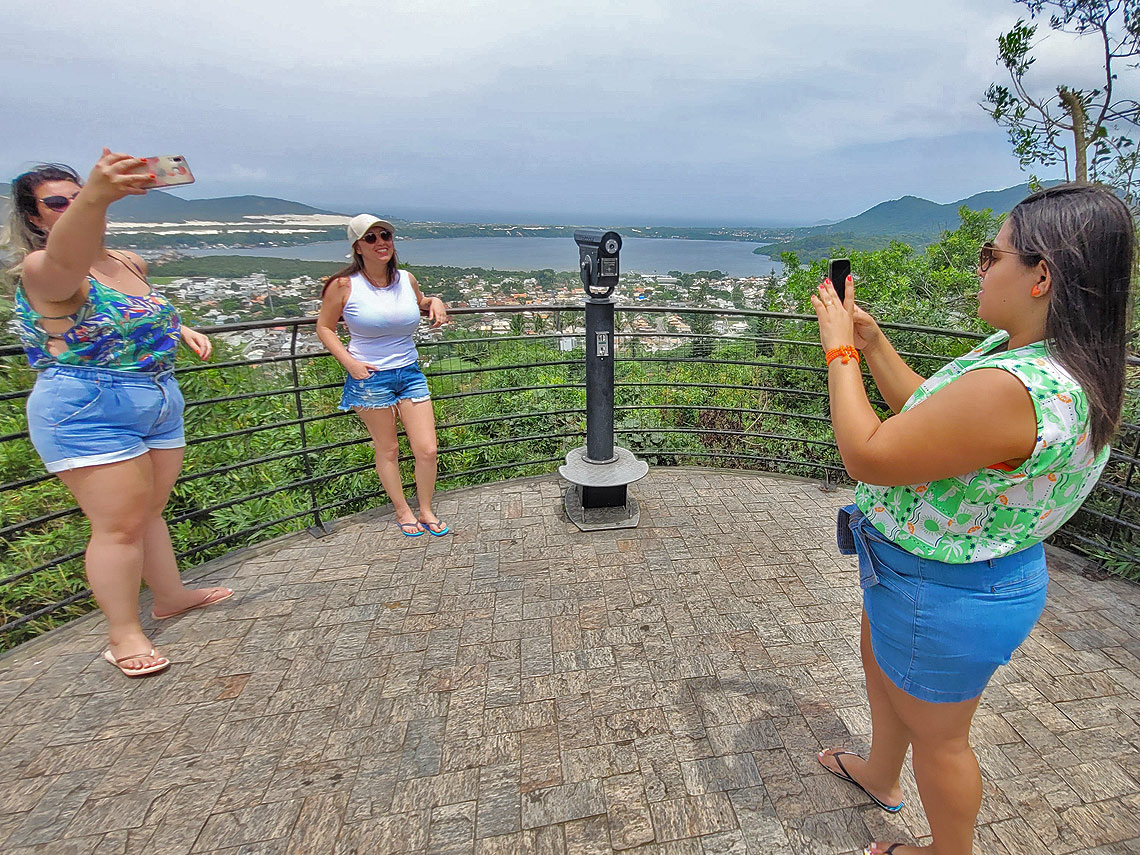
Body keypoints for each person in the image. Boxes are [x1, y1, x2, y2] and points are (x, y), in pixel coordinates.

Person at [809, 183, 1134, 855]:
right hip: (938, 572)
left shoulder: (1013, 388)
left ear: (1042, 274)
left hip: (944, 591)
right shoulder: (1049, 363)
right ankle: (878, 769)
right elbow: (928, 424)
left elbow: (869, 454)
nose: (981, 266)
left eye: (994, 253)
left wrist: (838, 352)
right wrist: (872, 345)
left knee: (942, 738)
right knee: (880, 664)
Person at [6, 152, 233, 678]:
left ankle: (171, 595)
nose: (70, 207)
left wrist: (179, 330)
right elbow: (67, 267)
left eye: (76, 194)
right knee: (117, 528)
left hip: (156, 397)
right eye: (57, 202)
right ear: (35, 217)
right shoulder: (43, 270)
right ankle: (123, 633)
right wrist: (96, 198)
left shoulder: (128, 262)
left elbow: (128, 314)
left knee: (147, 511)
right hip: (89, 407)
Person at [316, 214, 449, 537]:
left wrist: (436, 301)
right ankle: (403, 511)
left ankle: (426, 509)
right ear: (357, 247)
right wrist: (350, 363)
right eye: (371, 238)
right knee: (387, 449)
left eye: (385, 235)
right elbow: (324, 327)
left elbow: (419, 303)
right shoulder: (345, 286)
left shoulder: (406, 279)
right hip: (370, 376)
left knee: (427, 449)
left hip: (409, 372)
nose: (381, 243)